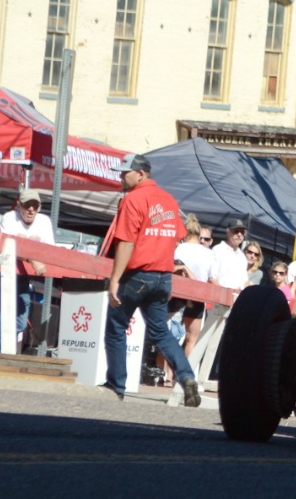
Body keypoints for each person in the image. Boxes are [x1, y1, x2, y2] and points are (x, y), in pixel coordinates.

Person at [102, 154, 199, 407]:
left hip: (137, 275)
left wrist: (114, 279)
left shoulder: (132, 199)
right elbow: (178, 235)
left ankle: (116, 386)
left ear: (141, 174)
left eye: (125, 172)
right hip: (163, 277)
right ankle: (187, 376)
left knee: (116, 328)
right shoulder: (168, 200)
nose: (121, 177)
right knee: (160, 332)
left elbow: (126, 241)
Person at [0, 188, 57, 352]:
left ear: (39, 207)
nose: (31, 209)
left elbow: (50, 250)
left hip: (21, 278)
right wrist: (33, 258)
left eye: (35, 206)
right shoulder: (9, 218)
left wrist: (35, 257)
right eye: (27, 205)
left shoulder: (44, 222)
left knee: (20, 323)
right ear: (19, 206)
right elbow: (9, 247)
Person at [171, 214, 214, 362]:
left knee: (171, 336)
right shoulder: (209, 253)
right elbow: (212, 278)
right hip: (197, 297)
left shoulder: (179, 248)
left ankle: (167, 376)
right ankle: (184, 375)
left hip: (176, 294)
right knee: (192, 338)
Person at [209, 218, 250, 293]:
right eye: (236, 231)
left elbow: (245, 282)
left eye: (242, 232)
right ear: (228, 231)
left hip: (237, 299)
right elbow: (212, 278)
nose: (239, 234)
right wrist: (223, 294)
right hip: (219, 297)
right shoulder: (217, 250)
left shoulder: (242, 256)